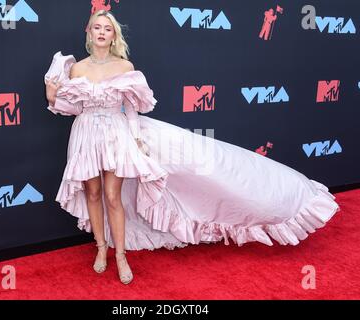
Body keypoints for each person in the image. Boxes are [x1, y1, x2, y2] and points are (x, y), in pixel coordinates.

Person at [45, 10, 339, 285]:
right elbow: (72, 106)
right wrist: (52, 92)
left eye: (107, 29)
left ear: (113, 36)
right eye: (97, 27)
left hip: (115, 134)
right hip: (85, 134)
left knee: (112, 195)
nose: (101, 32)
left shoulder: (124, 66)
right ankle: (101, 248)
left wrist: (135, 140)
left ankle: (120, 255)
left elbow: (131, 109)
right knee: (92, 192)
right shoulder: (76, 68)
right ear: (89, 32)